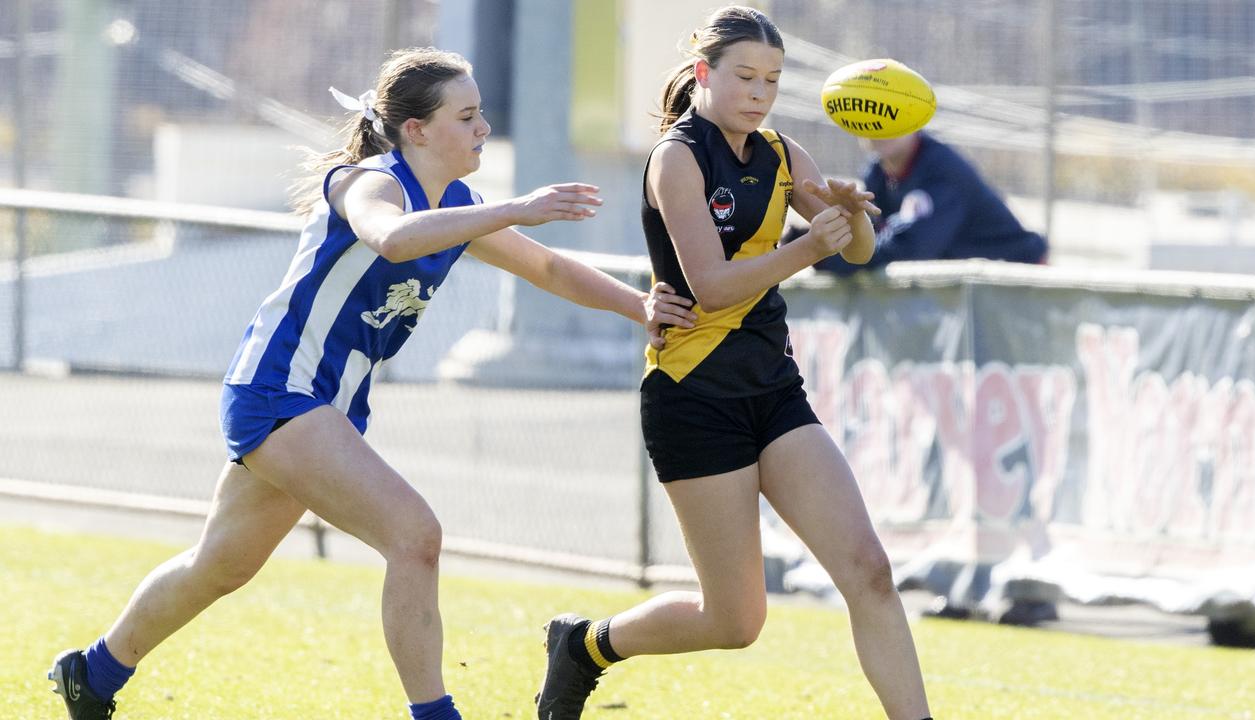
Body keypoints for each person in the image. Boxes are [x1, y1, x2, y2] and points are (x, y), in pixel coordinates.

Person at [46, 47, 697, 720]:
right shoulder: (366, 183)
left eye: (482, 116)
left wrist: (640, 307)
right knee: (414, 535)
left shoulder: (458, 206)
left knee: (220, 566)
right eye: (467, 116)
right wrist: (511, 209)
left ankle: (91, 674)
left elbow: (551, 271)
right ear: (416, 130)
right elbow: (391, 239)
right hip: (280, 391)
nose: (482, 130)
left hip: (324, 407)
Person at [535, 8, 932, 720]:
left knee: (870, 572)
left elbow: (860, 252)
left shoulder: (781, 154)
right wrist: (809, 247)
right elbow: (711, 287)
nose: (759, 92)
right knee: (735, 621)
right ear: (703, 75)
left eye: (773, 80)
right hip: (694, 396)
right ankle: (585, 646)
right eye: (745, 76)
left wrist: (850, 213)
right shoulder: (677, 157)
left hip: (774, 391)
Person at [805, 130, 1047, 275]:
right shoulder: (876, 173)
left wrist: (829, 257)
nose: (881, 125)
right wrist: (818, 241)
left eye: (892, 114)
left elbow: (913, 248)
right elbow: (875, 234)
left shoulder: (942, 169)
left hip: (1018, 287)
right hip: (962, 300)